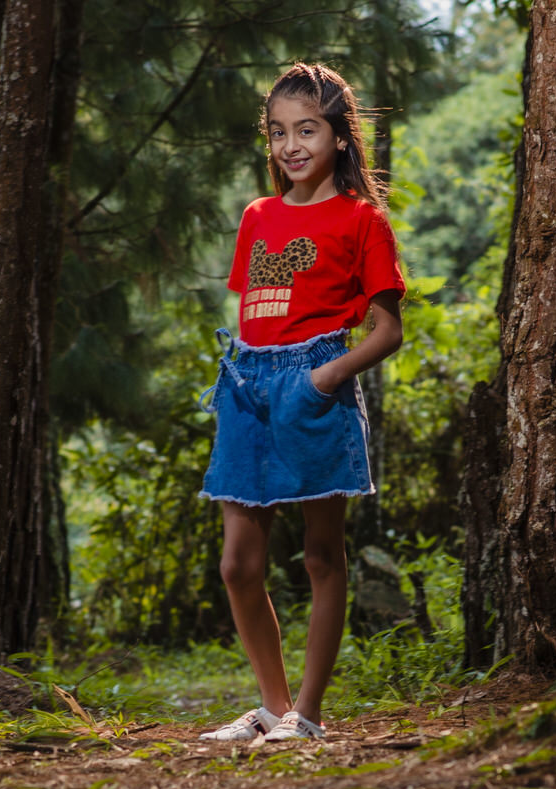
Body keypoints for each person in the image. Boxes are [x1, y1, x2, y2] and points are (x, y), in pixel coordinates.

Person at [197, 63, 405, 742]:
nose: (291, 144)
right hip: (247, 386)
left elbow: (387, 329)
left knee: (321, 554)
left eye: (307, 129)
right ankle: (271, 706)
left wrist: (325, 377)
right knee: (238, 564)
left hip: (314, 383)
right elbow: (256, 311)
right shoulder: (258, 216)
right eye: (280, 131)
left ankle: (307, 716)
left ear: (339, 137)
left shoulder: (362, 220)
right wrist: (251, 380)